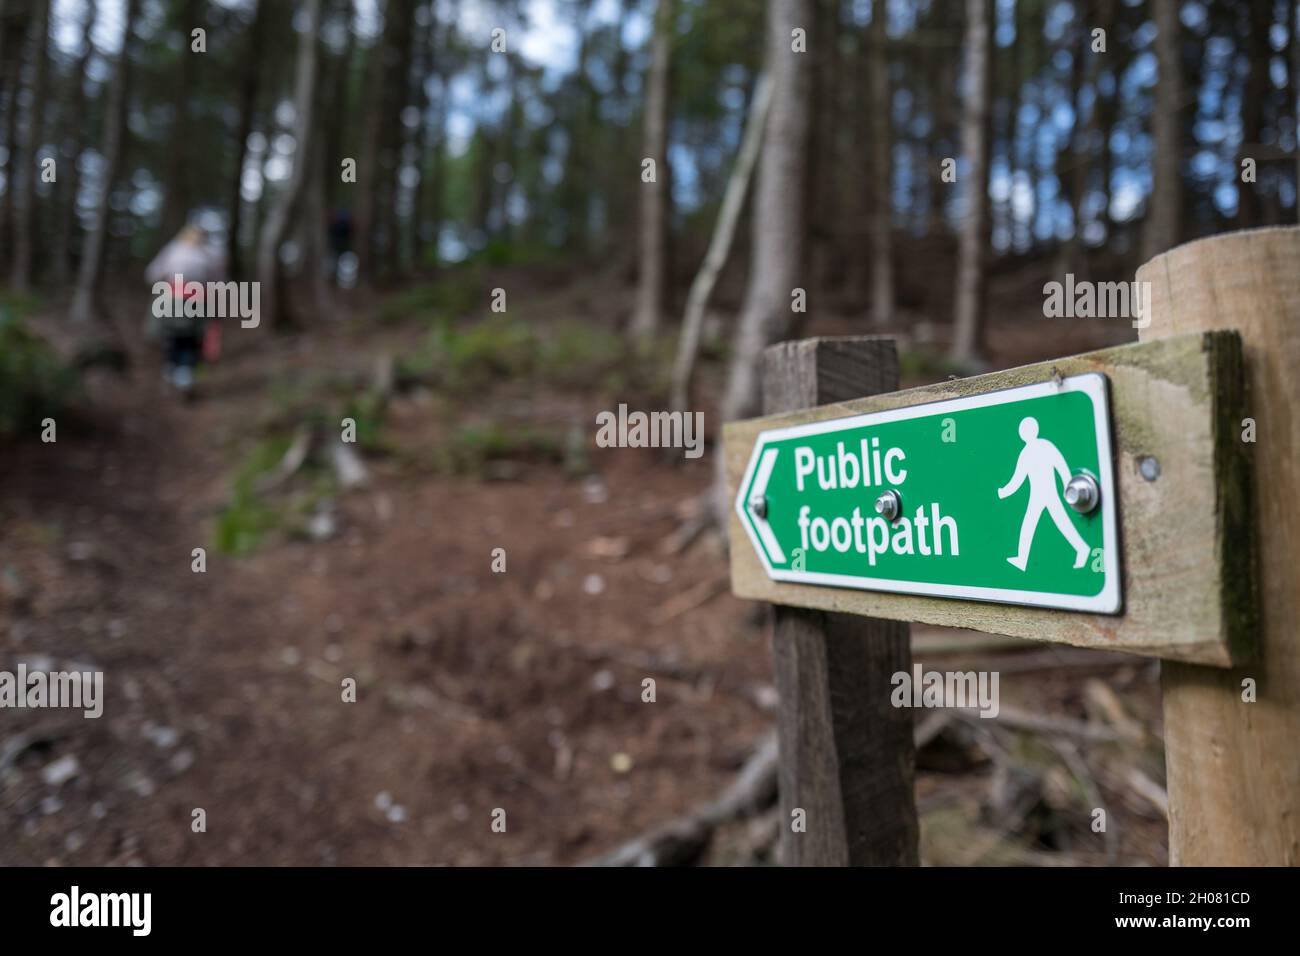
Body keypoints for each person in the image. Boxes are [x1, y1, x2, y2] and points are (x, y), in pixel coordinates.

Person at [997, 416, 1091, 570]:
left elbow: (1060, 465)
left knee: (1049, 523)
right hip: (1040, 495)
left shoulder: (1035, 449)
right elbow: (1018, 478)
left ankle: (1082, 549)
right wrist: (1004, 492)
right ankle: (1022, 559)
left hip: (1045, 494)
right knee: (1036, 523)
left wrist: (1069, 487)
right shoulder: (1035, 449)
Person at [144, 223, 228, 393]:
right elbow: (219, 280)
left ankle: (173, 371)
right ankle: (184, 375)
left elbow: (152, 273)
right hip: (196, 300)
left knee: (176, 337)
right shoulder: (210, 254)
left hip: (174, 299)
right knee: (190, 339)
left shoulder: (174, 249)